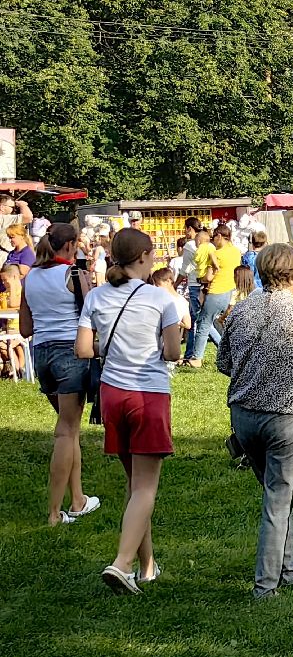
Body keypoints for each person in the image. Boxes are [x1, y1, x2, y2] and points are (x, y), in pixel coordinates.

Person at [218, 243, 293, 600]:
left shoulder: (240, 312)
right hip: (287, 416)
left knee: (277, 494)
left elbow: (224, 362)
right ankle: (266, 586)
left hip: (244, 416)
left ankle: (288, 568)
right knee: (278, 498)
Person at [77, 228, 184, 593]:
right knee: (145, 487)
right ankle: (121, 564)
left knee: (135, 485)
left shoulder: (95, 298)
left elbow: (84, 349)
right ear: (143, 257)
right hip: (148, 393)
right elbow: (172, 353)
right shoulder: (160, 298)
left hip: (111, 393)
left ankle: (146, 565)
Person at [19, 223, 101, 526]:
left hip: (42, 354)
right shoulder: (74, 275)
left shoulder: (31, 278)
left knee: (70, 430)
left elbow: (25, 328)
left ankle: (78, 499)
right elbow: (93, 312)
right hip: (70, 353)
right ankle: (54, 512)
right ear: (70, 247)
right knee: (66, 432)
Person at [185, 225, 241, 368]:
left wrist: (199, 279)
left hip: (215, 292)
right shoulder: (236, 252)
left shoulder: (217, 254)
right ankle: (231, 354)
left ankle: (197, 358)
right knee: (225, 325)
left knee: (204, 324)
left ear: (219, 236)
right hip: (229, 293)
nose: (212, 241)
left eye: (214, 238)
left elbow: (208, 277)